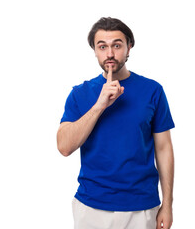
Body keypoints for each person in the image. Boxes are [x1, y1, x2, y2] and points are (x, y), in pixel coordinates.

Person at [57, 17, 175, 229]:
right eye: (102, 46)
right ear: (94, 50)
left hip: (141, 207)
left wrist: (167, 205)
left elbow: (164, 148)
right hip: (91, 207)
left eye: (117, 45)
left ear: (129, 47)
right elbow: (64, 147)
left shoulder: (153, 90)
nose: (109, 54)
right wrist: (99, 105)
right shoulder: (80, 94)